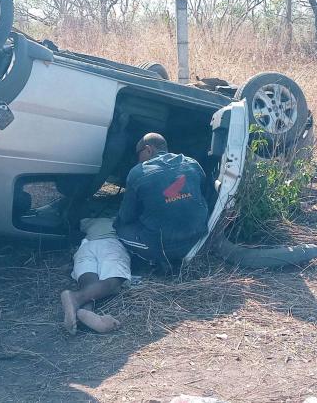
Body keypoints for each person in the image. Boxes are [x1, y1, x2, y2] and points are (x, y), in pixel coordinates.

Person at [115, 133, 208, 270]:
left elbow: (126, 216)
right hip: (198, 240)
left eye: (138, 154)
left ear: (148, 149)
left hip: (162, 248)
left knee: (118, 228)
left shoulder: (138, 172)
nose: (138, 159)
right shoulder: (193, 163)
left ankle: (156, 261)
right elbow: (201, 191)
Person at [61, 218, 130, 335]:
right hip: (111, 244)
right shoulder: (118, 218)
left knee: (89, 284)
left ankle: (85, 312)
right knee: (114, 281)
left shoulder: (86, 220)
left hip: (86, 246)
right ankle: (75, 298)